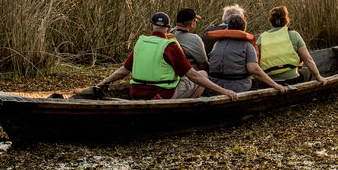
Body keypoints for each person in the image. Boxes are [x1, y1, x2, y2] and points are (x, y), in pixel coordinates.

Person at [94, 12, 238, 101]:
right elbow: (194, 76)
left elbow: (123, 71)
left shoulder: (140, 43)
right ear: (169, 29)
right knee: (203, 75)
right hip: (161, 96)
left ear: (151, 26)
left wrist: (105, 81)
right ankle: (184, 109)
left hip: (137, 94)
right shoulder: (170, 46)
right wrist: (224, 91)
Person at [206, 13, 287, 94]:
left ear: (228, 28)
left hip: (214, 89)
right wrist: (275, 85)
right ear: (244, 29)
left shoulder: (217, 44)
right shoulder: (247, 45)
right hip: (237, 89)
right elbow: (254, 69)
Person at [257, 6, 327, 85]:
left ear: (271, 21)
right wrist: (318, 76)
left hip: (271, 82)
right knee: (306, 71)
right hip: (292, 80)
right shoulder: (293, 34)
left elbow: (258, 62)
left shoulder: (261, 37)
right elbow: (308, 59)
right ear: (286, 20)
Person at [168, 7, 208, 99]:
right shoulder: (194, 39)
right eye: (196, 21)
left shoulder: (169, 33)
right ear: (192, 23)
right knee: (204, 75)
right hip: (183, 79)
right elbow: (204, 65)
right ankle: (190, 102)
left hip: (168, 77)